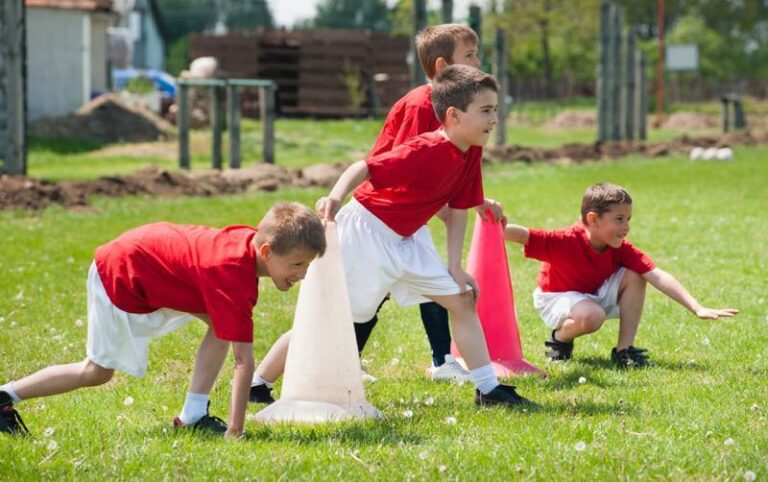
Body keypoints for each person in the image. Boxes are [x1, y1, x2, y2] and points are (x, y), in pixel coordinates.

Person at [247, 25, 503, 403]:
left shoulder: (471, 149)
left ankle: (490, 390)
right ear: (453, 113)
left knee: (461, 298)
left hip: (405, 235)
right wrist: (333, 198)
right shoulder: (425, 138)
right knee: (331, 319)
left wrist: (454, 265)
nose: (493, 120)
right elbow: (366, 167)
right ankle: (258, 383)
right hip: (367, 231)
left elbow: (459, 209)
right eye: (486, 111)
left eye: (494, 111)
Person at [0, 202, 326, 437]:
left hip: (147, 260)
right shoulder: (232, 276)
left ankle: (193, 416)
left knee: (220, 325)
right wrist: (236, 431)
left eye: (308, 265)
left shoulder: (247, 248)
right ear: (266, 252)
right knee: (96, 372)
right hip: (123, 272)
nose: (303, 273)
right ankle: (6, 395)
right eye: (297, 265)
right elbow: (244, 363)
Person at [503, 182, 739, 367]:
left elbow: (656, 274)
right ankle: (560, 338)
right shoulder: (565, 240)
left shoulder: (620, 248)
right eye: (619, 219)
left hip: (593, 293)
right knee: (592, 316)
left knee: (637, 274)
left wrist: (696, 307)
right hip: (556, 297)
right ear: (592, 219)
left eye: (628, 219)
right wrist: (496, 227)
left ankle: (624, 351)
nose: (626, 227)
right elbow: (525, 235)